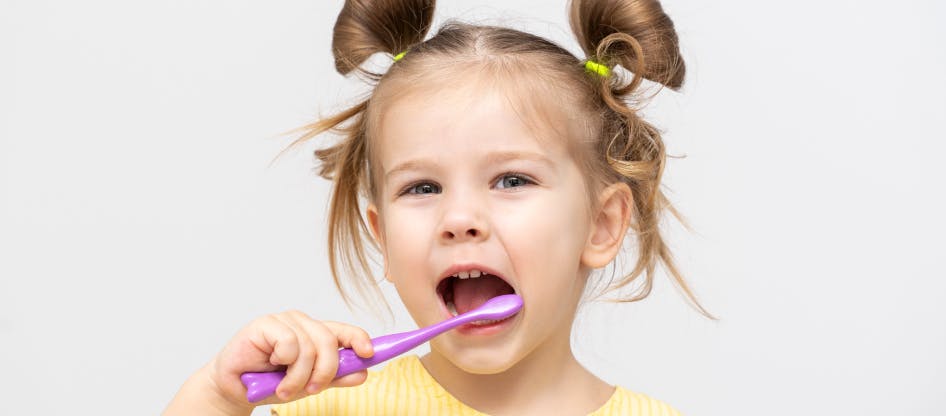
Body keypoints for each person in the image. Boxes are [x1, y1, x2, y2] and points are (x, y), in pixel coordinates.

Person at [165, 0, 715, 414]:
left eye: (511, 179)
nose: (458, 220)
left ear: (601, 225)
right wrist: (216, 397)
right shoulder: (329, 407)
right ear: (381, 236)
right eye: (423, 188)